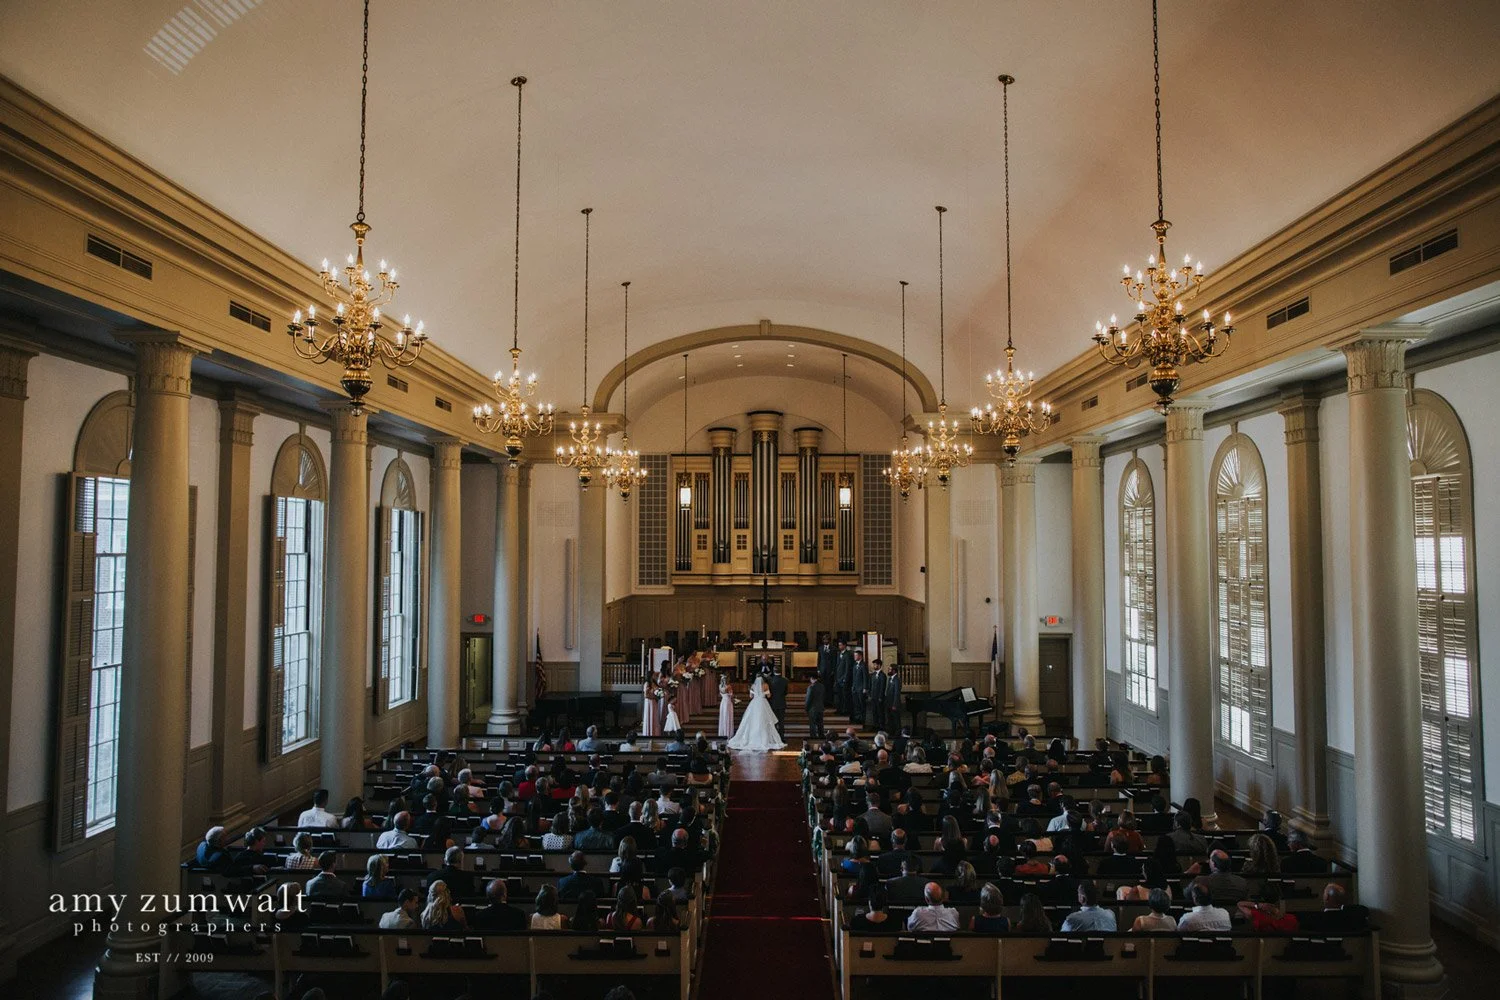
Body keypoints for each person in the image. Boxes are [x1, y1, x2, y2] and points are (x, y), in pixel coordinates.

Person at [727, 671, 786, 751]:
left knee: (752, 721)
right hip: (763, 703)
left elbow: (751, 696)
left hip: (754, 704)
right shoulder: (765, 685)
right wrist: (765, 693)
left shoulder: (753, 686)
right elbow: (769, 696)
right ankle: (764, 739)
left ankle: (752, 738)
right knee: (764, 721)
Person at [849, 648, 868, 726]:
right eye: (854, 655)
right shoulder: (854, 665)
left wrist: (865, 688)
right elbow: (853, 677)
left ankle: (862, 719)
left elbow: (865, 677)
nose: (854, 657)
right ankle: (857, 718)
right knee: (856, 704)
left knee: (861, 705)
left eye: (856, 655)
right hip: (855, 688)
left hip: (861, 689)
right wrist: (853, 686)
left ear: (860, 656)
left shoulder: (863, 665)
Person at [804, 674, 826, 740]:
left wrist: (806, 708)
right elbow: (824, 697)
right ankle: (821, 737)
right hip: (820, 707)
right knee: (820, 724)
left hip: (813, 709)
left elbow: (808, 699)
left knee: (812, 724)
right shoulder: (822, 686)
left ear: (812, 679)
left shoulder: (811, 687)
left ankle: (813, 738)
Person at [869, 659, 889, 731]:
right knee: (874, 712)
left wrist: (880, 697)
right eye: (873, 664)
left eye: (875, 664)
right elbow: (871, 685)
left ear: (879, 665)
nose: (874, 666)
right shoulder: (873, 675)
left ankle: (881, 726)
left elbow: (882, 687)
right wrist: (870, 695)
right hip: (873, 696)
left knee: (880, 712)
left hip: (879, 697)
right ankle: (875, 725)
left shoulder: (882, 675)